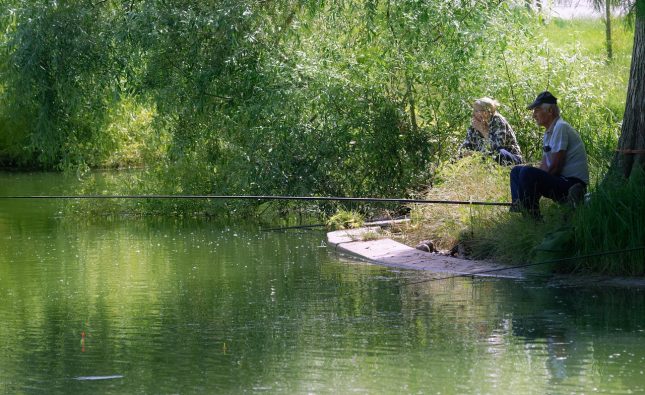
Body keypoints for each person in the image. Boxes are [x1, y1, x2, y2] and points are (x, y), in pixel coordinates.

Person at [510, 91, 589, 218]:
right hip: (561, 180)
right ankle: (520, 204)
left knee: (527, 172)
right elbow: (545, 165)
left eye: (536, 110)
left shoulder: (561, 127)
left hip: (572, 184)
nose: (533, 115)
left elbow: (555, 167)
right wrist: (529, 185)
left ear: (550, 111)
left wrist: (533, 186)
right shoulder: (549, 132)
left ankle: (532, 216)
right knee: (517, 171)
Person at [458, 97, 523, 165]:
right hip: (484, 157)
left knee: (499, 154)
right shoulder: (474, 124)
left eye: (477, 111)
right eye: (474, 110)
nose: (474, 113)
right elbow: (465, 146)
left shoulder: (498, 121)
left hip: (509, 157)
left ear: (486, 112)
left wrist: (482, 130)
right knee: (458, 159)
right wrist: (464, 153)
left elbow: (497, 147)